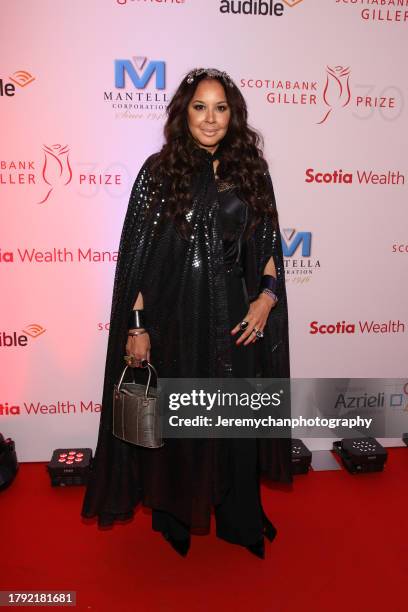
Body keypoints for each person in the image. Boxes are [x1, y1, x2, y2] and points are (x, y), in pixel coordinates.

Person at [81, 67, 292, 559]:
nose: (211, 118)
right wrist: (138, 328)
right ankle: (175, 518)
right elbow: (139, 262)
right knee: (183, 428)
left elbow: (266, 247)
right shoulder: (160, 172)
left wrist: (265, 298)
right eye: (200, 107)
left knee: (237, 427)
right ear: (185, 112)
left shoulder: (251, 171)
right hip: (176, 321)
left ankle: (240, 521)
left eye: (220, 108)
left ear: (233, 115)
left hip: (237, 321)